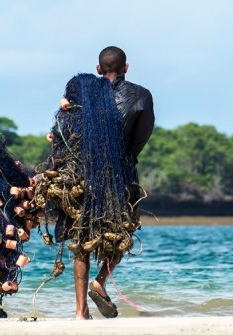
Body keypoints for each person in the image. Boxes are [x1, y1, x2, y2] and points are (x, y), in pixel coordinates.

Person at [44, 46, 154, 320]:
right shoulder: (141, 96)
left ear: (97, 69)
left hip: (81, 176)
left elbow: (66, 134)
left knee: (82, 238)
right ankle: (100, 281)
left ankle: (81, 312)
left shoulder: (82, 95)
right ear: (126, 67)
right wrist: (124, 158)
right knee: (122, 231)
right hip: (120, 175)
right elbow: (141, 137)